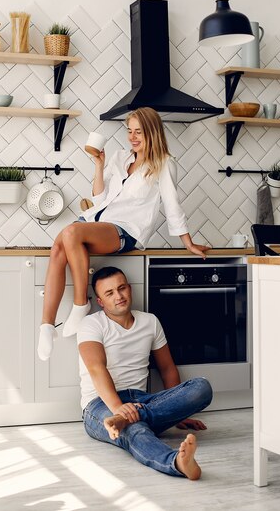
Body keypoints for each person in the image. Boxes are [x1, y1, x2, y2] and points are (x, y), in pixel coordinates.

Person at [38, 107, 211, 360]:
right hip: (100, 222)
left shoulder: (163, 164)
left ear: (152, 132)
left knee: (71, 231)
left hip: (127, 231)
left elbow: (173, 205)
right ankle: (46, 326)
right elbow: (99, 198)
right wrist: (99, 166)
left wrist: (188, 242)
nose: (132, 137)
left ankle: (80, 304)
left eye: (138, 131)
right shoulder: (120, 158)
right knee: (59, 246)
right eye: (129, 131)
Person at [77, 265, 213, 479]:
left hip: (143, 401)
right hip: (100, 404)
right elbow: (96, 368)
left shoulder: (150, 321)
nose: (119, 296)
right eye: (110, 293)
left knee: (201, 387)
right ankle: (176, 463)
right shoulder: (90, 324)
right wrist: (119, 409)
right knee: (134, 429)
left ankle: (131, 418)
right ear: (101, 301)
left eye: (121, 288)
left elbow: (167, 367)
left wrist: (178, 412)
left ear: (130, 289)